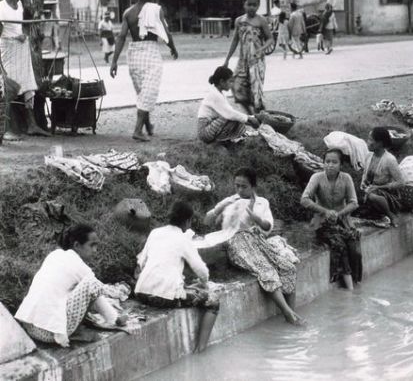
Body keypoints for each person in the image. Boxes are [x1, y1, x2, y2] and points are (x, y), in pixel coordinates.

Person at [205, 167, 303, 325]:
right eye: (237, 185)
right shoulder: (230, 201)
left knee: (288, 268)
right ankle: (288, 314)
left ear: (253, 187)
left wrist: (256, 218)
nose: (239, 190)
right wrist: (221, 210)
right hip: (236, 241)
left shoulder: (262, 202)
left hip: (257, 240)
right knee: (267, 271)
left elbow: (268, 227)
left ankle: (292, 312)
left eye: (244, 186)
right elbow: (209, 221)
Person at [15, 224, 123, 347]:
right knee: (91, 283)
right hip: (49, 334)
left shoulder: (55, 255)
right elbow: (96, 291)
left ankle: (63, 327)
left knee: (77, 288)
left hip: (30, 326)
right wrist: (115, 319)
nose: (95, 250)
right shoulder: (81, 267)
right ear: (77, 245)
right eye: (92, 245)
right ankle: (112, 319)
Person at [135, 201, 220, 353]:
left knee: (186, 288)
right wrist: (205, 283)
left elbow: (142, 263)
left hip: (141, 292)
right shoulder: (183, 239)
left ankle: (201, 350)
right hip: (163, 297)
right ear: (188, 221)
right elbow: (201, 270)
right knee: (213, 302)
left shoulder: (155, 233)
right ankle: (201, 350)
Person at [110, 0, 178, 142]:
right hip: (150, 52)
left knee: (143, 92)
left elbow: (121, 37)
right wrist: (172, 48)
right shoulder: (156, 10)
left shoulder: (128, 12)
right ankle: (138, 130)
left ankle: (147, 126)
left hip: (133, 53)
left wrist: (114, 61)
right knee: (148, 91)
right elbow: (166, 32)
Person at [301, 149, 362, 290]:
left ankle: (357, 282)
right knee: (339, 245)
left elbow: (354, 202)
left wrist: (339, 214)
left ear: (341, 164)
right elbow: (304, 199)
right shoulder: (317, 177)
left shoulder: (346, 178)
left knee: (355, 248)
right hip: (322, 222)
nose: (330, 165)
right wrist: (325, 211)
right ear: (323, 163)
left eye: (335, 162)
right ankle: (349, 287)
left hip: (343, 221)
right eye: (327, 161)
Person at [0, 0, 50, 138]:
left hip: (21, 50)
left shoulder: (20, 5)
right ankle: (6, 128)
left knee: (28, 85)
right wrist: (15, 37)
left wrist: (22, 35)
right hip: (8, 50)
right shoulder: (1, 8)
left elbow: (24, 26)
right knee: (9, 86)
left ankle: (31, 124)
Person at [223, 0, 273, 114]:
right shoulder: (239, 21)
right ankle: (250, 115)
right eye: (249, 4)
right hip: (243, 60)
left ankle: (261, 119)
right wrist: (227, 59)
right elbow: (235, 41)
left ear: (258, 6)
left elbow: (270, 38)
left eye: (255, 5)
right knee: (236, 86)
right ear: (244, 4)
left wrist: (262, 49)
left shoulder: (261, 20)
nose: (252, 7)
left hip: (256, 61)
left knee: (256, 91)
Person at [197, 66, 258, 144]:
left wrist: (250, 119)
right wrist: (249, 118)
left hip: (210, 127)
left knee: (236, 117)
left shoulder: (219, 93)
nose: (231, 84)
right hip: (204, 132)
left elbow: (230, 111)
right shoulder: (214, 94)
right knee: (231, 117)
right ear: (222, 81)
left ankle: (232, 138)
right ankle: (223, 140)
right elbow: (230, 114)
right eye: (230, 81)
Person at [360, 126, 405, 228]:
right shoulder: (368, 156)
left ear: (380, 143)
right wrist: (363, 183)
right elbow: (364, 174)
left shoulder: (389, 160)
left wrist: (379, 187)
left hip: (386, 195)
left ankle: (391, 215)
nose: (368, 142)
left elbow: (401, 182)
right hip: (370, 189)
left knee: (372, 196)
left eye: (371, 139)